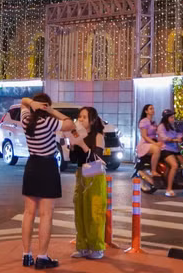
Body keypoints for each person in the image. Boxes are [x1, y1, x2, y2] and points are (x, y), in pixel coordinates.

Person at [19, 94, 76, 269]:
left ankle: (26, 255)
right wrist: (50, 110)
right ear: (45, 106)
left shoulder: (26, 120)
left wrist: (31, 103)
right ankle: (42, 257)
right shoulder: (49, 123)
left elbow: (23, 101)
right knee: (46, 214)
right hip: (48, 166)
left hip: (32, 165)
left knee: (29, 213)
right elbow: (70, 123)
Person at [69, 106, 106, 260]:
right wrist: (72, 145)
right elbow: (72, 160)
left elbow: (96, 158)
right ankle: (82, 246)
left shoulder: (98, 136)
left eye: (84, 117)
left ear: (92, 120)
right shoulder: (77, 135)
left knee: (95, 212)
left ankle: (96, 247)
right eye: (79, 117)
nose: (80, 119)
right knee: (80, 212)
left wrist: (82, 145)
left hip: (94, 175)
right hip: (80, 174)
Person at [156, 109, 183, 196]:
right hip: (165, 149)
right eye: (171, 117)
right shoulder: (161, 126)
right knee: (174, 165)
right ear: (166, 118)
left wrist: (182, 137)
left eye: (173, 117)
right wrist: (173, 140)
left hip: (175, 150)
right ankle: (169, 189)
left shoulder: (172, 126)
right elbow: (163, 138)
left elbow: (178, 134)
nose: (173, 119)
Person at [136, 104, 161, 177]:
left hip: (152, 142)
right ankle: (153, 170)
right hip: (145, 144)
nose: (153, 110)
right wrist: (155, 143)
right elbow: (144, 136)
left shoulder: (153, 122)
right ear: (146, 111)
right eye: (150, 109)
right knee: (156, 149)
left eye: (153, 108)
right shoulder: (144, 121)